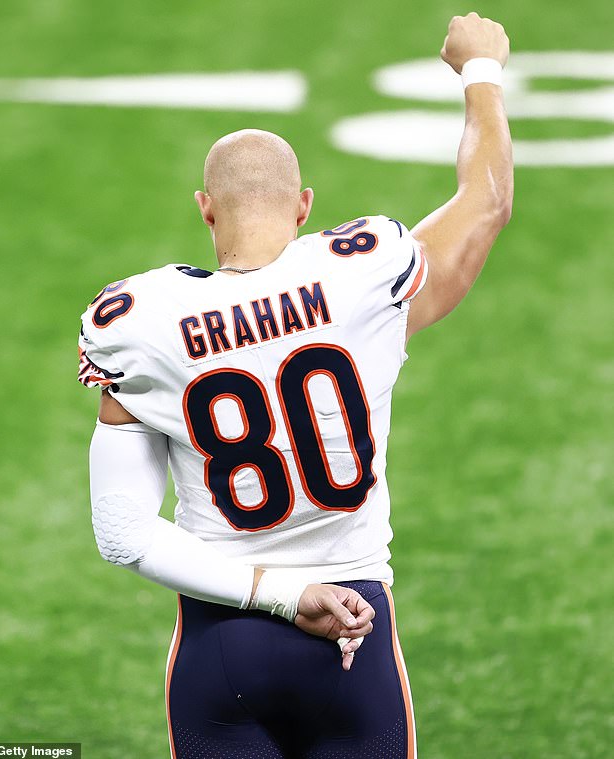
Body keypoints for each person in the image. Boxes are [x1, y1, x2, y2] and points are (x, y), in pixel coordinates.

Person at [79, 12, 512, 759]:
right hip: (356, 632)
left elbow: (123, 533)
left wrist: (279, 595)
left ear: (205, 208)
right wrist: (481, 71)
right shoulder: (363, 285)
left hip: (223, 643)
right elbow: (486, 201)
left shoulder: (139, 324)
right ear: (305, 205)